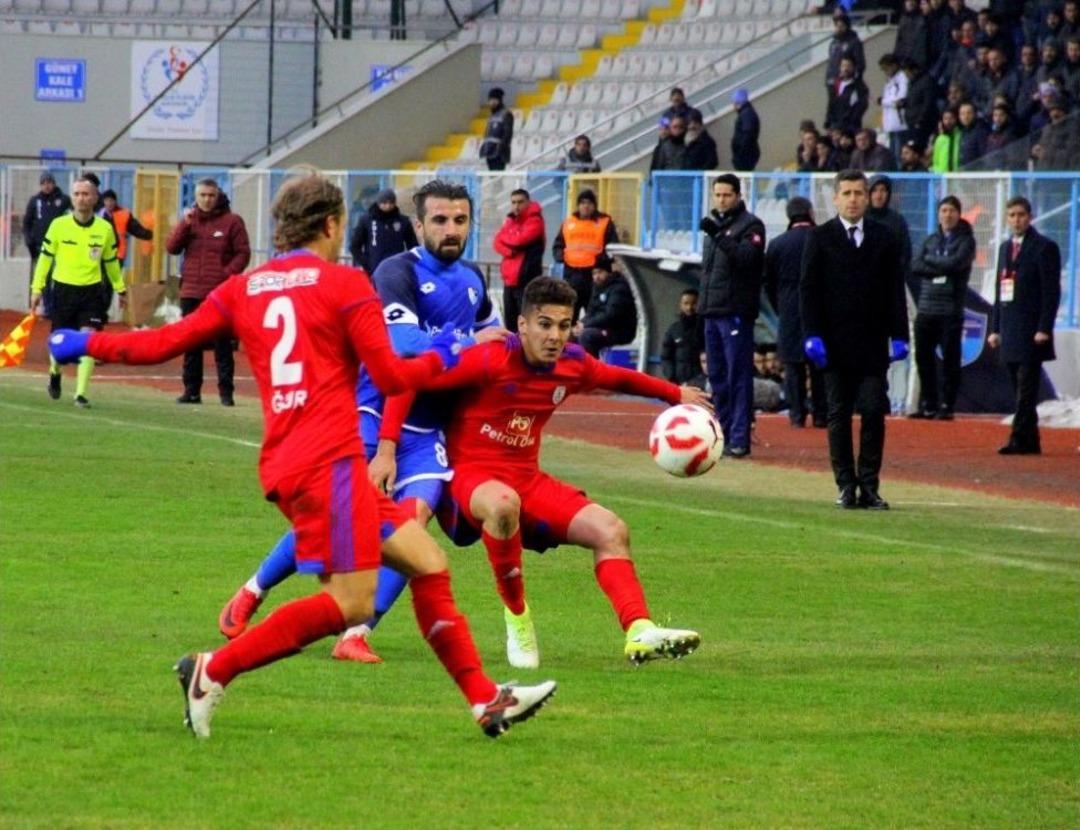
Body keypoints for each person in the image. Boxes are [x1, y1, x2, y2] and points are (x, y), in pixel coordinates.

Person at [48, 173, 556, 739]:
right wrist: (453, 348)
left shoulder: (245, 288)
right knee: (349, 603)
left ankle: (486, 701)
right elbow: (391, 373)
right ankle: (211, 670)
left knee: (428, 563)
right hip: (329, 465)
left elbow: (163, 342)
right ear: (333, 225)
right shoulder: (345, 284)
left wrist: (86, 343)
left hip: (294, 463)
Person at [217, 179, 506, 665]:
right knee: (344, 516)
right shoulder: (396, 272)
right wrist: (387, 447)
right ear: (418, 226)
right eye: (439, 219)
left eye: (460, 220)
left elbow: (486, 337)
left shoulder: (475, 279)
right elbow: (404, 350)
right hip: (375, 414)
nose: (451, 229)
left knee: (411, 528)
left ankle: (357, 633)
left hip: (427, 430)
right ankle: (254, 588)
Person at [381, 277, 708, 668]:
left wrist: (676, 394)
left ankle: (639, 631)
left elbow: (619, 377)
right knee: (503, 504)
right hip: (470, 478)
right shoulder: (489, 358)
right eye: (545, 324)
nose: (555, 335)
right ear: (522, 325)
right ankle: (517, 616)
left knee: (611, 530)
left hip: (527, 479)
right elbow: (407, 379)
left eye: (564, 325)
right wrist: (386, 449)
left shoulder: (571, 364)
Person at [800, 170, 909, 510]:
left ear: (867, 197)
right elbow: (808, 289)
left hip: (873, 342)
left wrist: (900, 335)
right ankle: (846, 486)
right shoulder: (820, 237)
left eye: (858, 193)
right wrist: (812, 335)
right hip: (833, 343)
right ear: (835, 198)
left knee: (874, 410)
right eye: (846, 193)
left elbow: (895, 290)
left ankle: (870, 486)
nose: (853, 199)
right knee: (838, 414)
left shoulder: (885, 237)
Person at [30, 175, 126, 409]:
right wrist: (37, 288)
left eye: (86, 194)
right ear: (72, 198)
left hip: (92, 293)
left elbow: (111, 262)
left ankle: (81, 394)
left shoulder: (104, 229)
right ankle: (55, 373)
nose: (81, 198)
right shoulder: (59, 225)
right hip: (62, 291)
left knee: (89, 342)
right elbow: (45, 259)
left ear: (95, 198)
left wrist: (120, 288)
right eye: (77, 194)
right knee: (59, 344)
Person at [698, 173, 767, 458]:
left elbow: (747, 260)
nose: (722, 200)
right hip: (712, 310)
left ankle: (739, 437)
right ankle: (721, 433)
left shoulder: (751, 225)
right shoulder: (716, 227)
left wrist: (718, 235)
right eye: (717, 195)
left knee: (737, 374)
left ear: (738, 195)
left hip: (735, 311)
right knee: (717, 375)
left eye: (727, 195)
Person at [166, 178, 251, 406]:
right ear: (195, 196)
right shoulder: (189, 221)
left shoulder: (232, 222)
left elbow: (243, 253)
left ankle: (226, 393)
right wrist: (184, 225)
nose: (206, 199)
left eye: (210, 195)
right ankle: (191, 391)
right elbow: (172, 248)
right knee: (191, 342)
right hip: (191, 290)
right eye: (202, 195)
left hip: (219, 293)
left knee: (222, 344)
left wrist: (226, 274)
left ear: (218, 195)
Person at [987, 196, 1062, 455]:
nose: (1016, 220)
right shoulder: (1005, 248)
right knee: (1018, 386)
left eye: (1020, 215)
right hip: (1010, 328)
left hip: (1032, 331)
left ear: (1029, 217)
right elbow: (1000, 292)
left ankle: (1018, 438)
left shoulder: (1044, 247)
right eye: (1012, 215)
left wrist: (1044, 327)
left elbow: (1051, 292)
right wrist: (996, 328)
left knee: (1027, 386)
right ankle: (1031, 440)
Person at [910, 195, 975, 420]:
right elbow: (916, 265)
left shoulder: (966, 241)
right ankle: (929, 403)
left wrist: (932, 262)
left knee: (950, 359)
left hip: (950, 309)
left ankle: (947, 405)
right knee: (923, 358)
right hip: (926, 308)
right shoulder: (929, 240)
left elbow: (957, 264)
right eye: (944, 210)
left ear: (958, 214)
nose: (947, 215)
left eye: (951, 211)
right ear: (938, 214)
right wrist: (942, 268)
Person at [763, 196, 826, 429]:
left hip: (789, 310)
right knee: (819, 366)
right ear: (810, 212)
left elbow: (768, 282)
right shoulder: (824, 239)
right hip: (819, 310)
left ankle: (797, 415)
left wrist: (780, 306)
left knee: (793, 367)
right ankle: (821, 414)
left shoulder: (778, 244)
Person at [552, 189, 619, 324]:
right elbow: (558, 245)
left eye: (589, 202)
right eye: (582, 203)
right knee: (569, 314)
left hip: (594, 275)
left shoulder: (604, 222)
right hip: (572, 274)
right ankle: (569, 343)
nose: (585, 206)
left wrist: (601, 261)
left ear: (594, 205)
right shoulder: (569, 223)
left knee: (594, 314)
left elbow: (613, 247)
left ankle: (590, 342)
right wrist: (561, 256)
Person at [493, 188, 546, 326]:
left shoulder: (535, 221)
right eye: (513, 202)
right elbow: (496, 242)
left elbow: (519, 240)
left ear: (528, 202)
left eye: (520, 202)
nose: (516, 206)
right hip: (510, 281)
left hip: (526, 281)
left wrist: (506, 239)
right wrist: (509, 251)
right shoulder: (511, 220)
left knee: (526, 323)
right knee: (510, 324)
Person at [573, 256, 638, 357]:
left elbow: (611, 315)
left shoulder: (619, 287)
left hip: (619, 332)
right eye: (594, 273)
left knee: (586, 336)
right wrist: (581, 323)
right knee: (572, 334)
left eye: (600, 272)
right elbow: (591, 311)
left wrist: (586, 325)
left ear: (608, 272)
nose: (596, 277)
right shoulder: (597, 287)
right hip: (601, 328)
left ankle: (591, 369)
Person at [348, 188, 418, 274]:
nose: (388, 206)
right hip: (373, 271)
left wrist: (405, 264)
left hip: (395, 271)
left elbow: (413, 247)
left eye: (391, 203)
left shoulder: (403, 221)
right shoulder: (367, 220)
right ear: (378, 203)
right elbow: (354, 246)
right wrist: (367, 264)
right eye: (384, 203)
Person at [22, 172, 72, 293]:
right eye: (43, 183)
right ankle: (47, 306)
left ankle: (56, 306)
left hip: (61, 245)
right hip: (41, 245)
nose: (46, 186)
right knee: (44, 276)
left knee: (59, 276)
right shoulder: (35, 201)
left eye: (49, 182)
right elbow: (27, 222)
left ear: (54, 183)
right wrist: (29, 239)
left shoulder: (64, 200)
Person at [660, 288, 704, 384]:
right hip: (679, 382)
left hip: (701, 382)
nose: (689, 307)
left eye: (694, 303)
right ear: (680, 305)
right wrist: (671, 376)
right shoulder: (674, 329)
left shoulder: (705, 328)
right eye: (686, 303)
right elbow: (666, 357)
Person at [100, 190, 153, 268]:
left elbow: (136, 228)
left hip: (118, 253)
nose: (109, 203)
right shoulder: (99, 215)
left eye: (111, 200)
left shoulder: (124, 214)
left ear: (115, 201)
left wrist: (150, 235)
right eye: (106, 200)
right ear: (103, 202)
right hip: (102, 253)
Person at [825, 57, 870, 132]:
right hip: (835, 129)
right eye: (843, 66)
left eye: (848, 66)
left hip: (851, 128)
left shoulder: (859, 86)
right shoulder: (835, 84)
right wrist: (828, 123)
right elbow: (831, 105)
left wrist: (848, 125)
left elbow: (861, 106)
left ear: (853, 67)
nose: (845, 68)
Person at [879, 54, 910, 158]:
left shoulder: (902, 78)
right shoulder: (889, 80)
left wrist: (883, 101)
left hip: (899, 123)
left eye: (886, 68)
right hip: (890, 124)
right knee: (891, 154)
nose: (885, 71)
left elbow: (900, 99)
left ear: (894, 65)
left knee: (899, 154)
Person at [825, 12, 867, 88]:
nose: (839, 29)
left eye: (841, 26)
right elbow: (831, 63)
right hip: (833, 82)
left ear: (847, 27)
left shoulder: (854, 42)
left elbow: (860, 64)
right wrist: (828, 78)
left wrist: (854, 79)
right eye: (837, 26)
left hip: (846, 83)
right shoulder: (833, 43)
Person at [479, 87, 513, 171]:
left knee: (497, 178)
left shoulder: (506, 114)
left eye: (494, 100)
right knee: (492, 178)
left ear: (499, 100)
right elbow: (487, 135)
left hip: (499, 154)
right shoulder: (492, 116)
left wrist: (500, 149)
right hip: (489, 152)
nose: (491, 103)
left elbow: (507, 134)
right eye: (490, 100)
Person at [729, 88, 761, 171]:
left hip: (745, 157)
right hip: (745, 156)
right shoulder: (746, 113)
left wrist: (740, 153)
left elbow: (748, 136)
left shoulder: (746, 114)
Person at [956, 100, 989, 165]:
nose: (966, 117)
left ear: (975, 114)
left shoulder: (981, 132)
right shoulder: (960, 132)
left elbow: (984, 157)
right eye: (962, 113)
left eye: (969, 113)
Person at [931, 107, 962, 171]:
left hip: (959, 176)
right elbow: (935, 161)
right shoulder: (940, 139)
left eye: (951, 118)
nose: (948, 122)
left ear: (956, 119)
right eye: (945, 119)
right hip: (943, 178)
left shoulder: (961, 135)